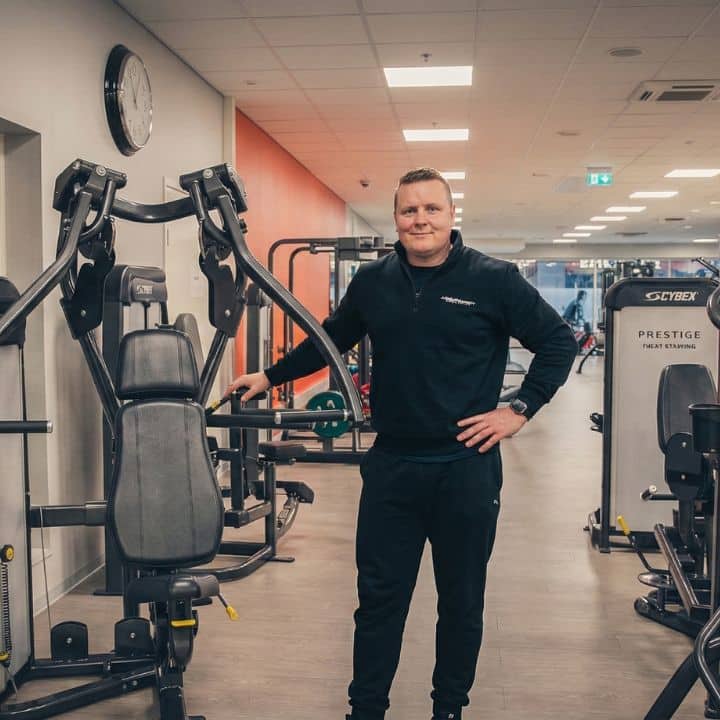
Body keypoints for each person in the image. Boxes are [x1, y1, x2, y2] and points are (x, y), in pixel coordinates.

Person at [226, 168, 578, 720]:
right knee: (378, 603)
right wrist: (269, 377)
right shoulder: (374, 281)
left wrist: (518, 409)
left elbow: (558, 342)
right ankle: (365, 709)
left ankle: (449, 709)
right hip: (392, 466)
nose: (421, 220)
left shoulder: (494, 279)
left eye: (431, 209)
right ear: (395, 218)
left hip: (465, 467)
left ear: (451, 215)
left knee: (461, 602)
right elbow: (329, 340)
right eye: (409, 210)